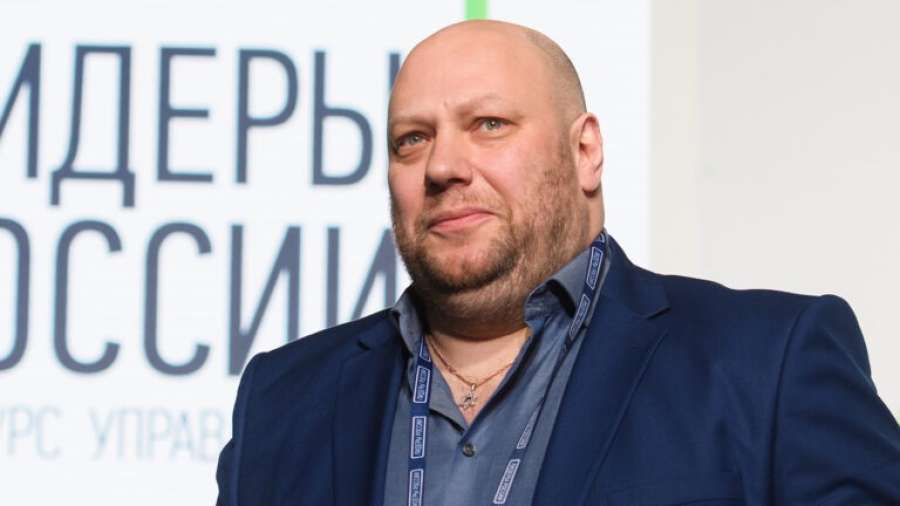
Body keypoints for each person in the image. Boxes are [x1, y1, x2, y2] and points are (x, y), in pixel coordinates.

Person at [216, 20, 900, 505]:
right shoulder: (282, 402)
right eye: (411, 140)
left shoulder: (768, 365)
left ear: (586, 152)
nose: (443, 165)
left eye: (489, 124)